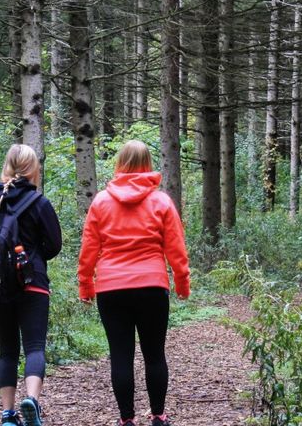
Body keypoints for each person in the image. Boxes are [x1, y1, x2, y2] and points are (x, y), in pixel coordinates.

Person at [78, 140, 190, 426]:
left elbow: (89, 248)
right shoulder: (161, 201)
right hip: (152, 286)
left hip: (111, 288)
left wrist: (85, 284)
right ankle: (158, 416)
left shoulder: (101, 201)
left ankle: (127, 420)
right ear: (148, 164)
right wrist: (182, 283)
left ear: (120, 163)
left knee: (120, 355)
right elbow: (176, 247)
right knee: (154, 354)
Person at [0, 144, 62, 426]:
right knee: (35, 347)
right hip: (32, 281)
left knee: (8, 351)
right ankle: (32, 402)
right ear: (32, 169)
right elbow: (54, 245)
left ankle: (7, 414)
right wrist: (33, 253)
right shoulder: (39, 203)